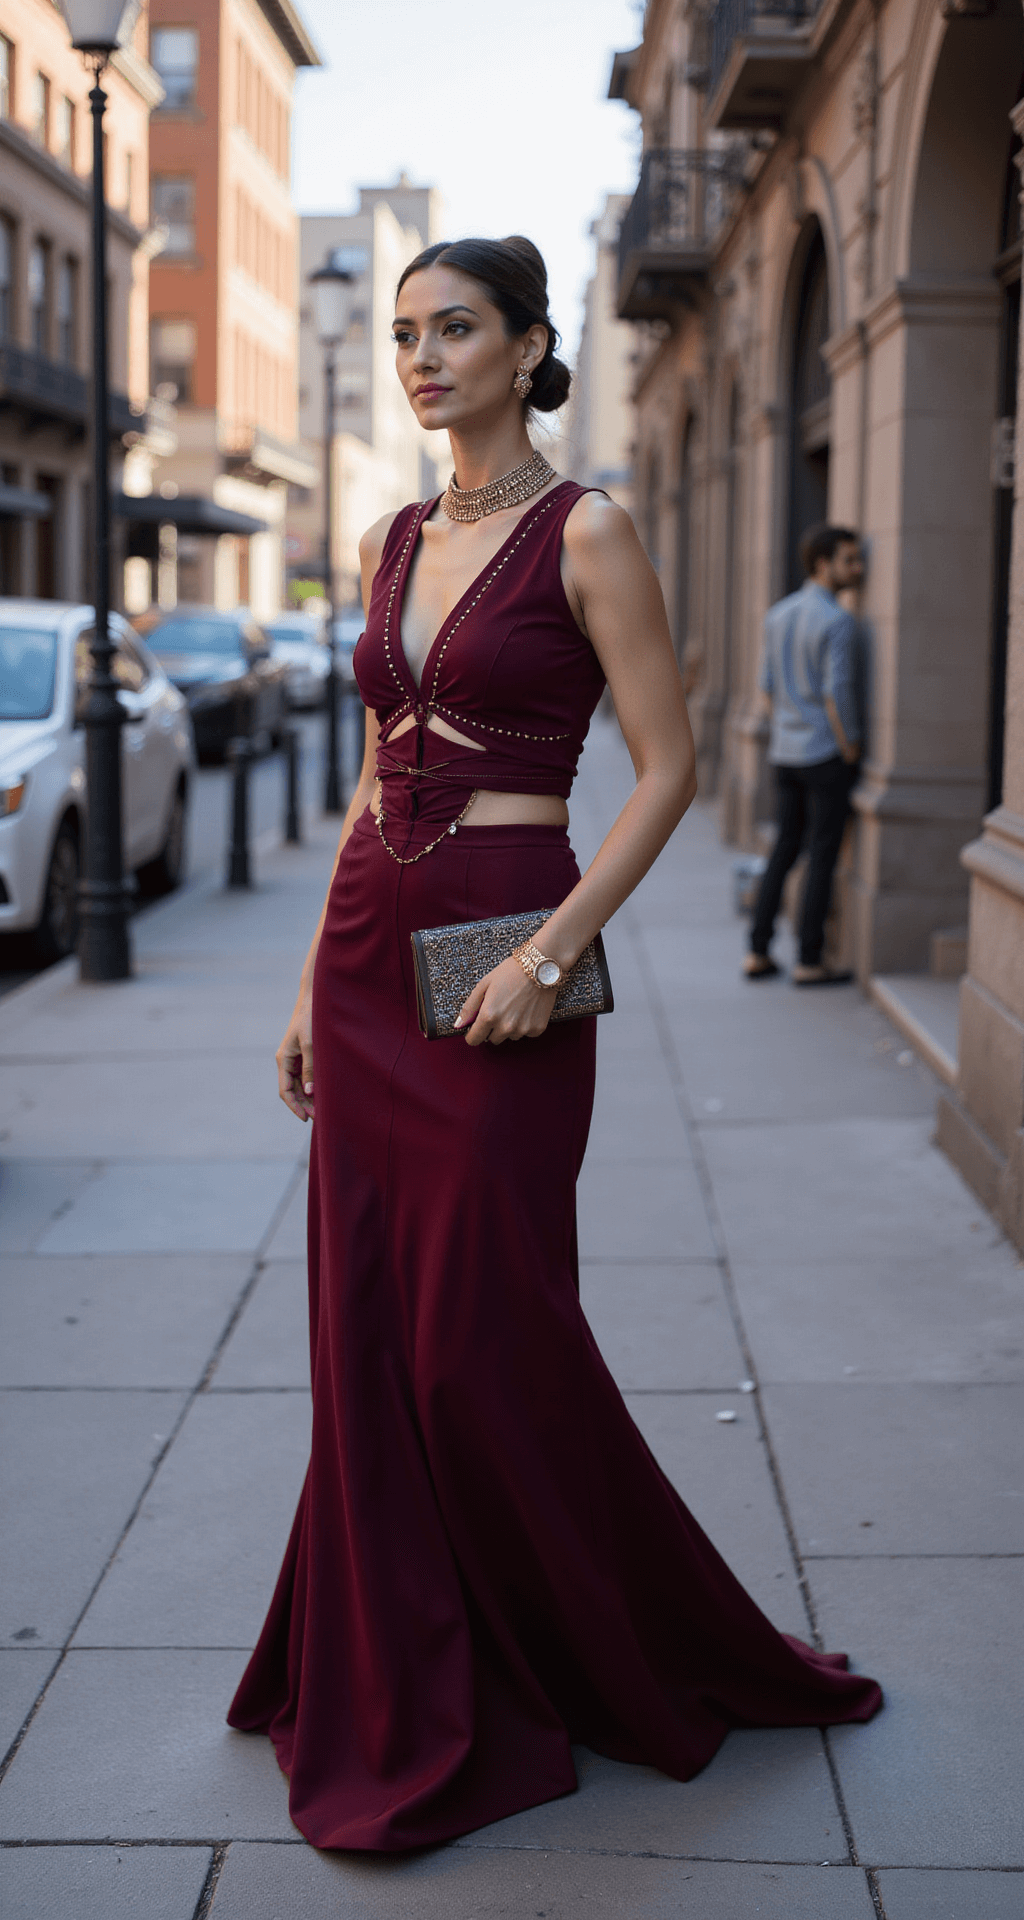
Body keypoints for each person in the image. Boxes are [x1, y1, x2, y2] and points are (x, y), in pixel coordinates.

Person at [227, 238, 882, 1852]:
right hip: (378, 942)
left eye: (454, 329)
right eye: (401, 335)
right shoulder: (385, 539)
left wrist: (551, 951)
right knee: (371, 1318)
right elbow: (374, 770)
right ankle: (398, 1655)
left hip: (506, 940)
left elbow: (659, 769)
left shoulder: (587, 528)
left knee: (478, 1323)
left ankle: (595, 1641)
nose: (421, 357)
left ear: (528, 346)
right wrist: (315, 984)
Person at [744, 525, 865, 985]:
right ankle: (809, 959)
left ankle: (757, 951)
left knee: (784, 848)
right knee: (821, 854)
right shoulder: (837, 620)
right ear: (823, 563)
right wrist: (849, 744)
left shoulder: (778, 615)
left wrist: (786, 732)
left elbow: (767, 689)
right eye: (849, 560)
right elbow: (838, 693)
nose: (857, 569)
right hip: (823, 753)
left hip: (785, 751)